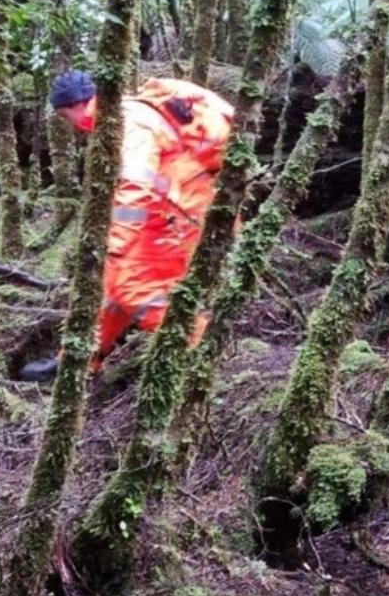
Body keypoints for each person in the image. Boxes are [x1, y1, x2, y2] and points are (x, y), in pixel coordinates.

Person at [18, 71, 234, 381]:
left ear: (78, 106)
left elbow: (136, 184)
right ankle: (77, 362)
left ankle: (204, 359)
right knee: (111, 288)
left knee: (139, 293)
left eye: (67, 116)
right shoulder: (121, 118)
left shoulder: (130, 122)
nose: (73, 125)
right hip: (165, 214)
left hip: (176, 218)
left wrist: (117, 244)